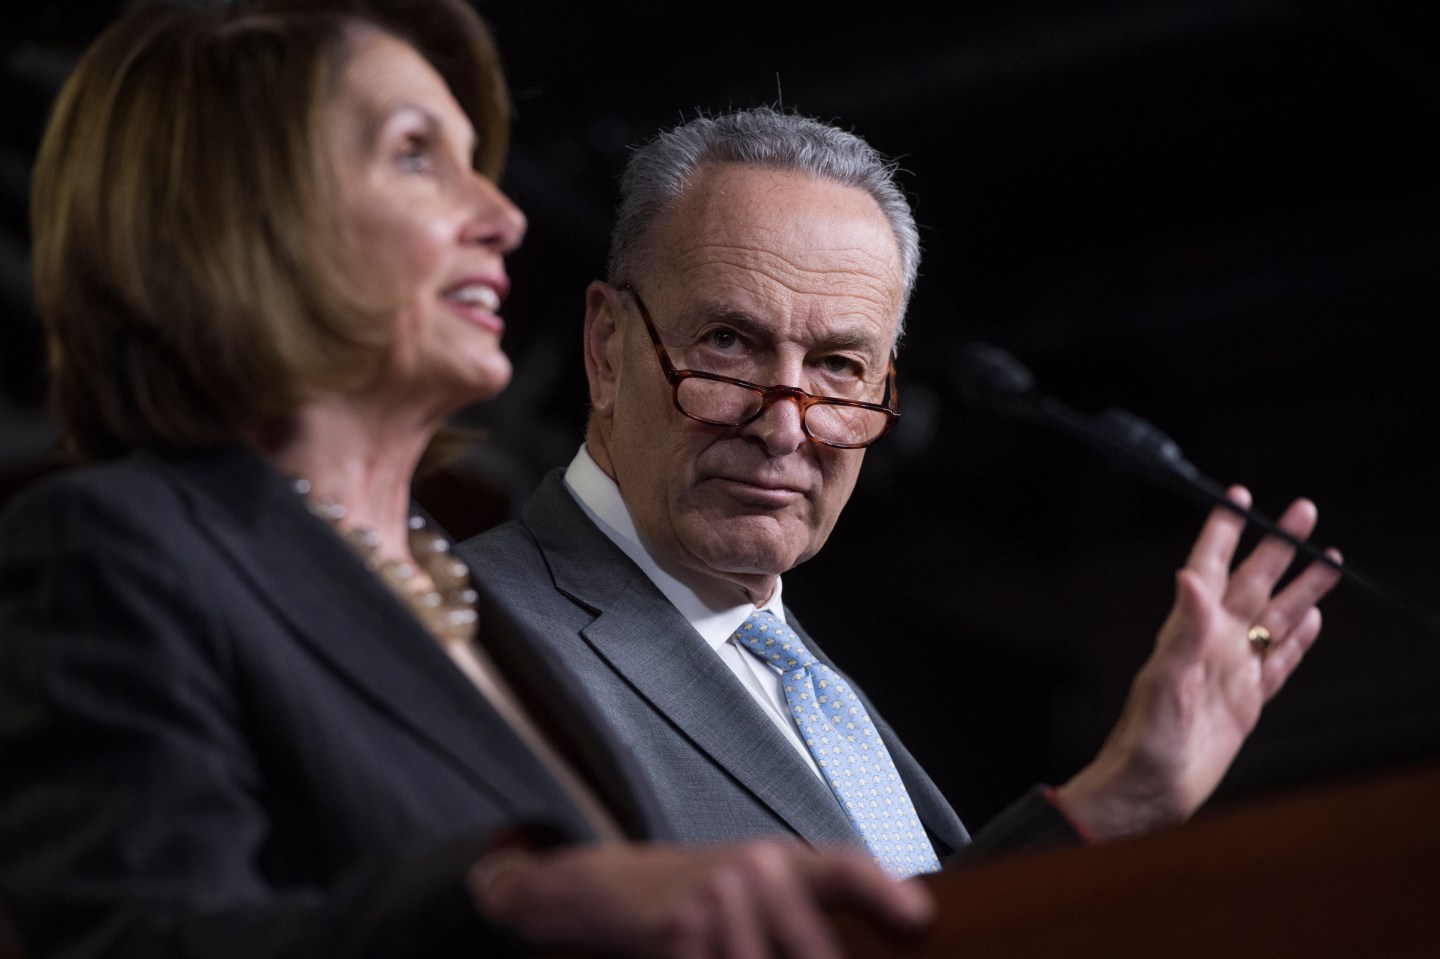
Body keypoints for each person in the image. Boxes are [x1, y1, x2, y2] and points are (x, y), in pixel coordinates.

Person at [0, 7, 933, 958]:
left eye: (841, 368)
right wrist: (519, 901)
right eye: (416, 156)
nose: (504, 216)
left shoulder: (450, 598)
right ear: (234, 216)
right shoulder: (105, 546)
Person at [458, 106, 1344, 869]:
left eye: (840, 366)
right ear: (606, 349)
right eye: (728, 342)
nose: (786, 424)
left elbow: (923, 933)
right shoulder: (472, 634)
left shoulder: (809, 676)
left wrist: (1124, 801)